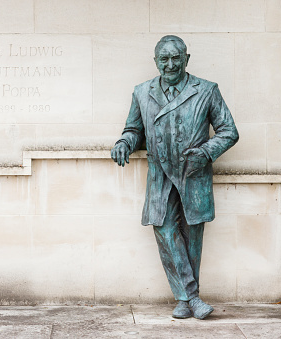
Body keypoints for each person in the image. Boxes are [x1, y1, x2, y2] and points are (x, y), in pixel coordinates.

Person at [111, 35, 239, 320]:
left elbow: (229, 131)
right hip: (160, 174)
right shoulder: (142, 92)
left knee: (193, 237)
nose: (170, 65)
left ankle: (183, 301)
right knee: (165, 230)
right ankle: (191, 296)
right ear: (155, 61)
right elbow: (133, 130)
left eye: (176, 58)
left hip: (193, 172)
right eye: (164, 59)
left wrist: (206, 153)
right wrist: (124, 143)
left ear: (186, 59)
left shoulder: (206, 90)